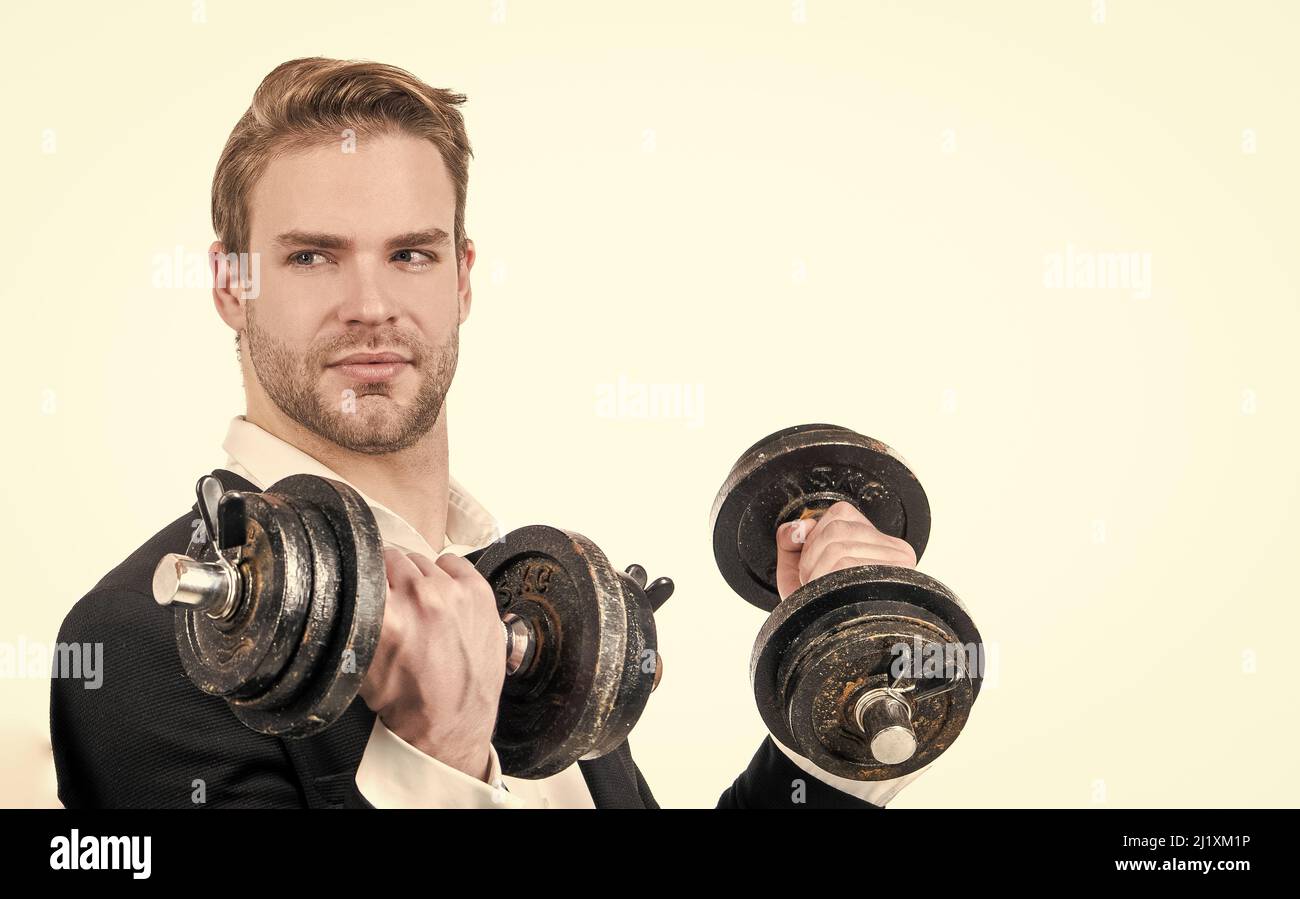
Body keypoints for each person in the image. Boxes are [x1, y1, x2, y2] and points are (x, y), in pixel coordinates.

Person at [50, 57, 929, 808]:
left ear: (461, 278)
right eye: (311, 255)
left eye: (411, 253)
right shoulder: (144, 642)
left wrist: (839, 704)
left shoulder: (520, 592)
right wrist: (438, 759)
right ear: (230, 283)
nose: (370, 307)